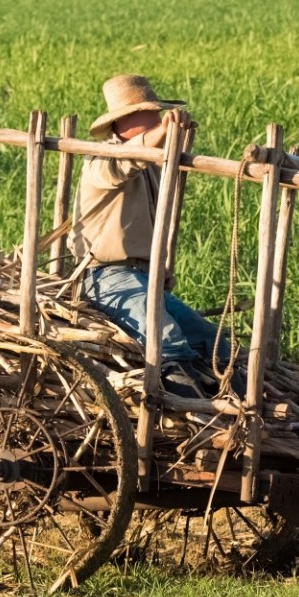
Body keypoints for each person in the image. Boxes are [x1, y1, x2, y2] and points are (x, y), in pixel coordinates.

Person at [74, 74, 229, 375]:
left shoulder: (151, 167)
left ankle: (234, 400)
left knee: (214, 344)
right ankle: (191, 411)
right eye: (152, 114)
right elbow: (123, 163)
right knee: (167, 343)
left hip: (142, 277)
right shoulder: (101, 158)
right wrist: (162, 133)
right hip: (105, 278)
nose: (159, 119)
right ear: (126, 121)